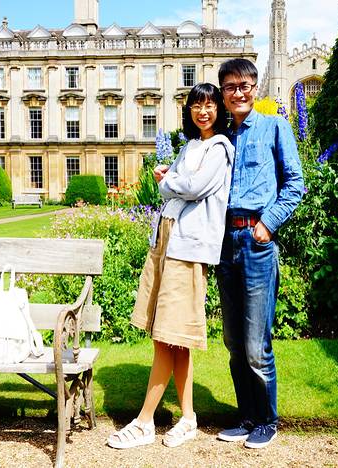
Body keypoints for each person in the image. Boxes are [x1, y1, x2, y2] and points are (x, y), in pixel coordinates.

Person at [106, 83, 234, 449]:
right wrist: (172, 183)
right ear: (189, 110)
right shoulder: (190, 146)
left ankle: (145, 421)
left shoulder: (220, 148)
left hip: (188, 247)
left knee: (166, 336)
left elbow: (193, 187)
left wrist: (169, 181)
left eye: (209, 105)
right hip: (167, 240)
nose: (203, 111)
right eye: (196, 105)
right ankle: (188, 418)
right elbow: (171, 187)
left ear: (218, 110)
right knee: (174, 337)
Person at [215, 58, 304, 449]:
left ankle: (268, 420)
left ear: (254, 88)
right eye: (230, 87)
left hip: (256, 241)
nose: (238, 93)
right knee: (234, 343)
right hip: (224, 243)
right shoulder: (219, 136)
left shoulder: (274, 127)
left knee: (255, 344)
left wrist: (267, 225)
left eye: (244, 85)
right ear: (223, 93)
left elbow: (295, 184)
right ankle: (247, 417)